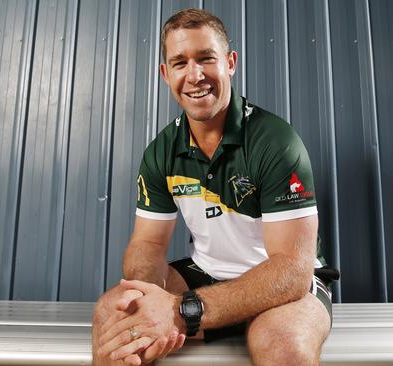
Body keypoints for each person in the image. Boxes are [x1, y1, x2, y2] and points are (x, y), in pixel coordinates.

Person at [92, 8, 338, 366]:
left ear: (230, 62)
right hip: (208, 274)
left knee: (284, 349)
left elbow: (292, 271)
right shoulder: (161, 152)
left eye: (206, 59)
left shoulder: (275, 141)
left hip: (286, 287)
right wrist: (146, 296)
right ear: (165, 73)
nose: (195, 75)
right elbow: (147, 244)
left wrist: (181, 309)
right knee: (111, 316)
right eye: (179, 63)